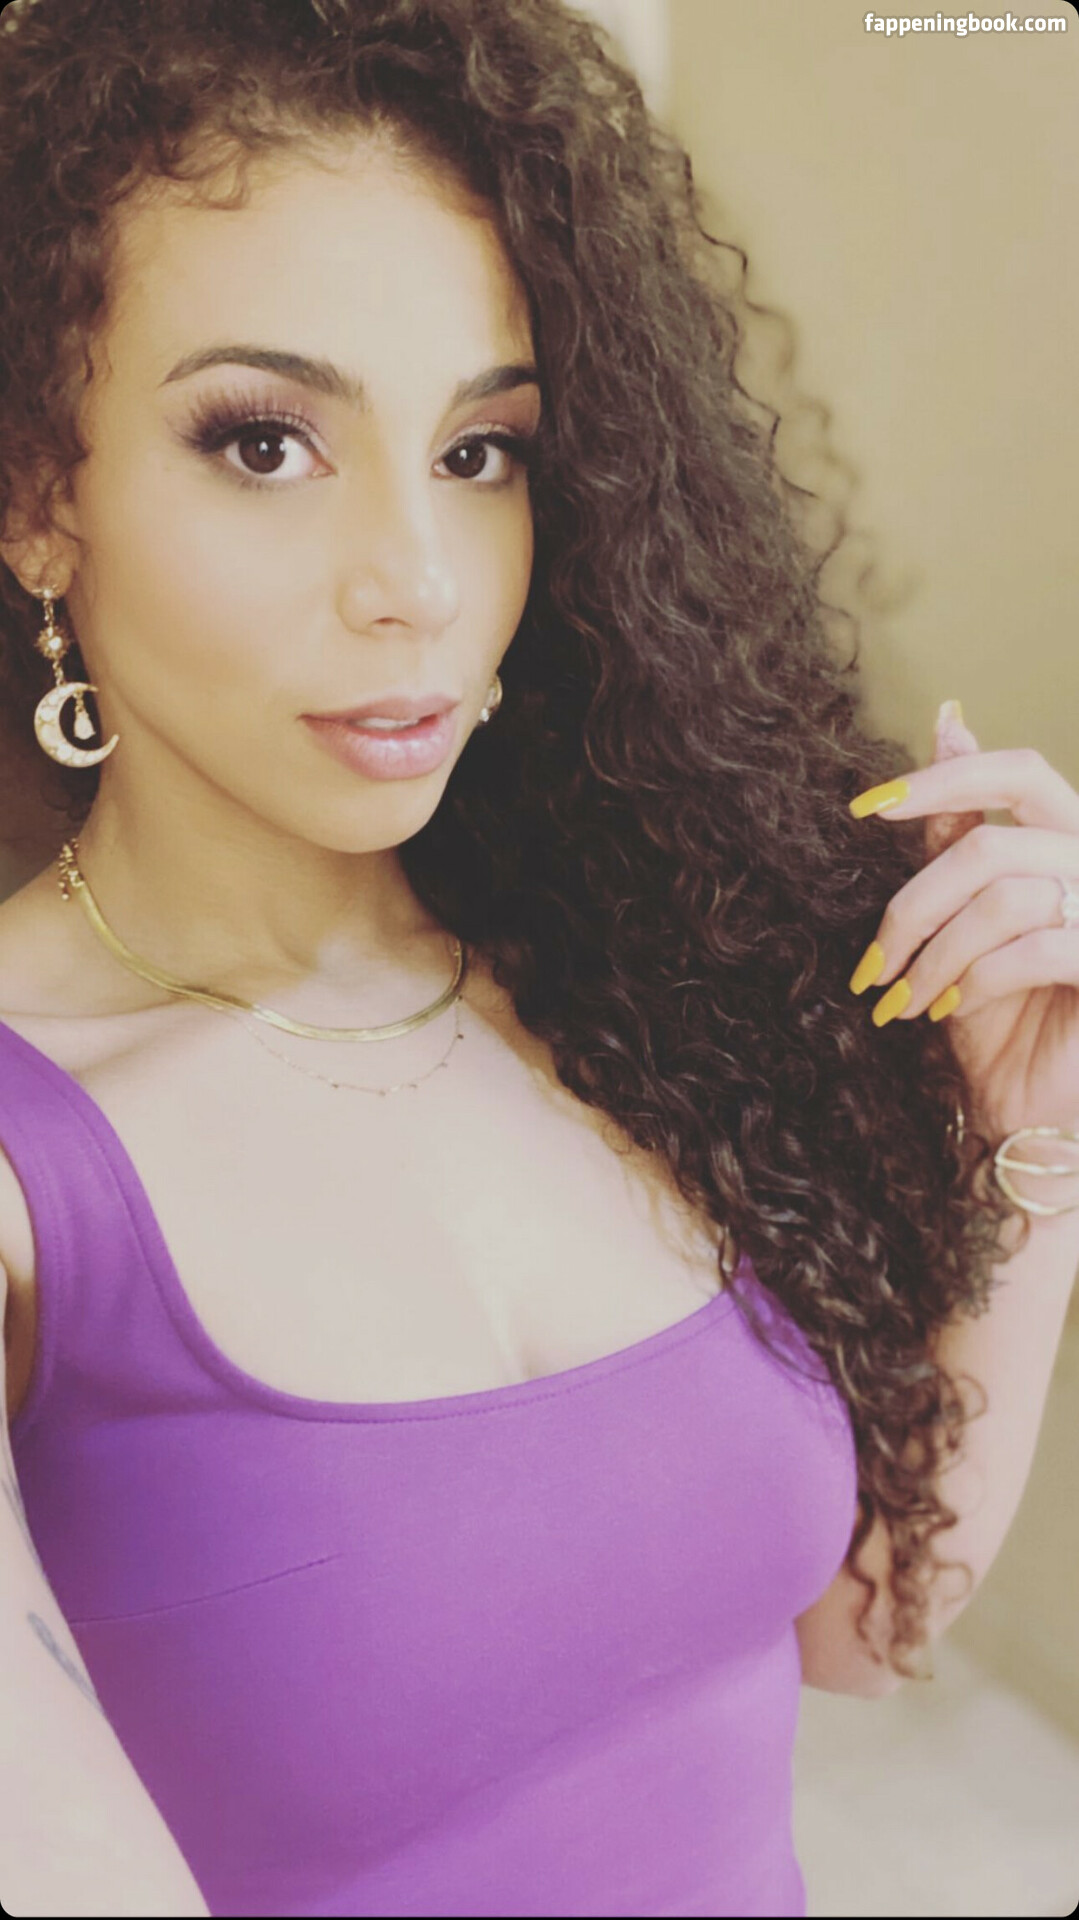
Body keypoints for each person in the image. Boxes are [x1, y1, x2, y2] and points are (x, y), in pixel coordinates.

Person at [2, 3, 1078, 1917]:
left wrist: (1030, 1139)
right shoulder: (35, 1175)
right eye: (267, 443)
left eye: (482, 450)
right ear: (36, 495)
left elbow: (865, 1625)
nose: (417, 580)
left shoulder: (631, 978)